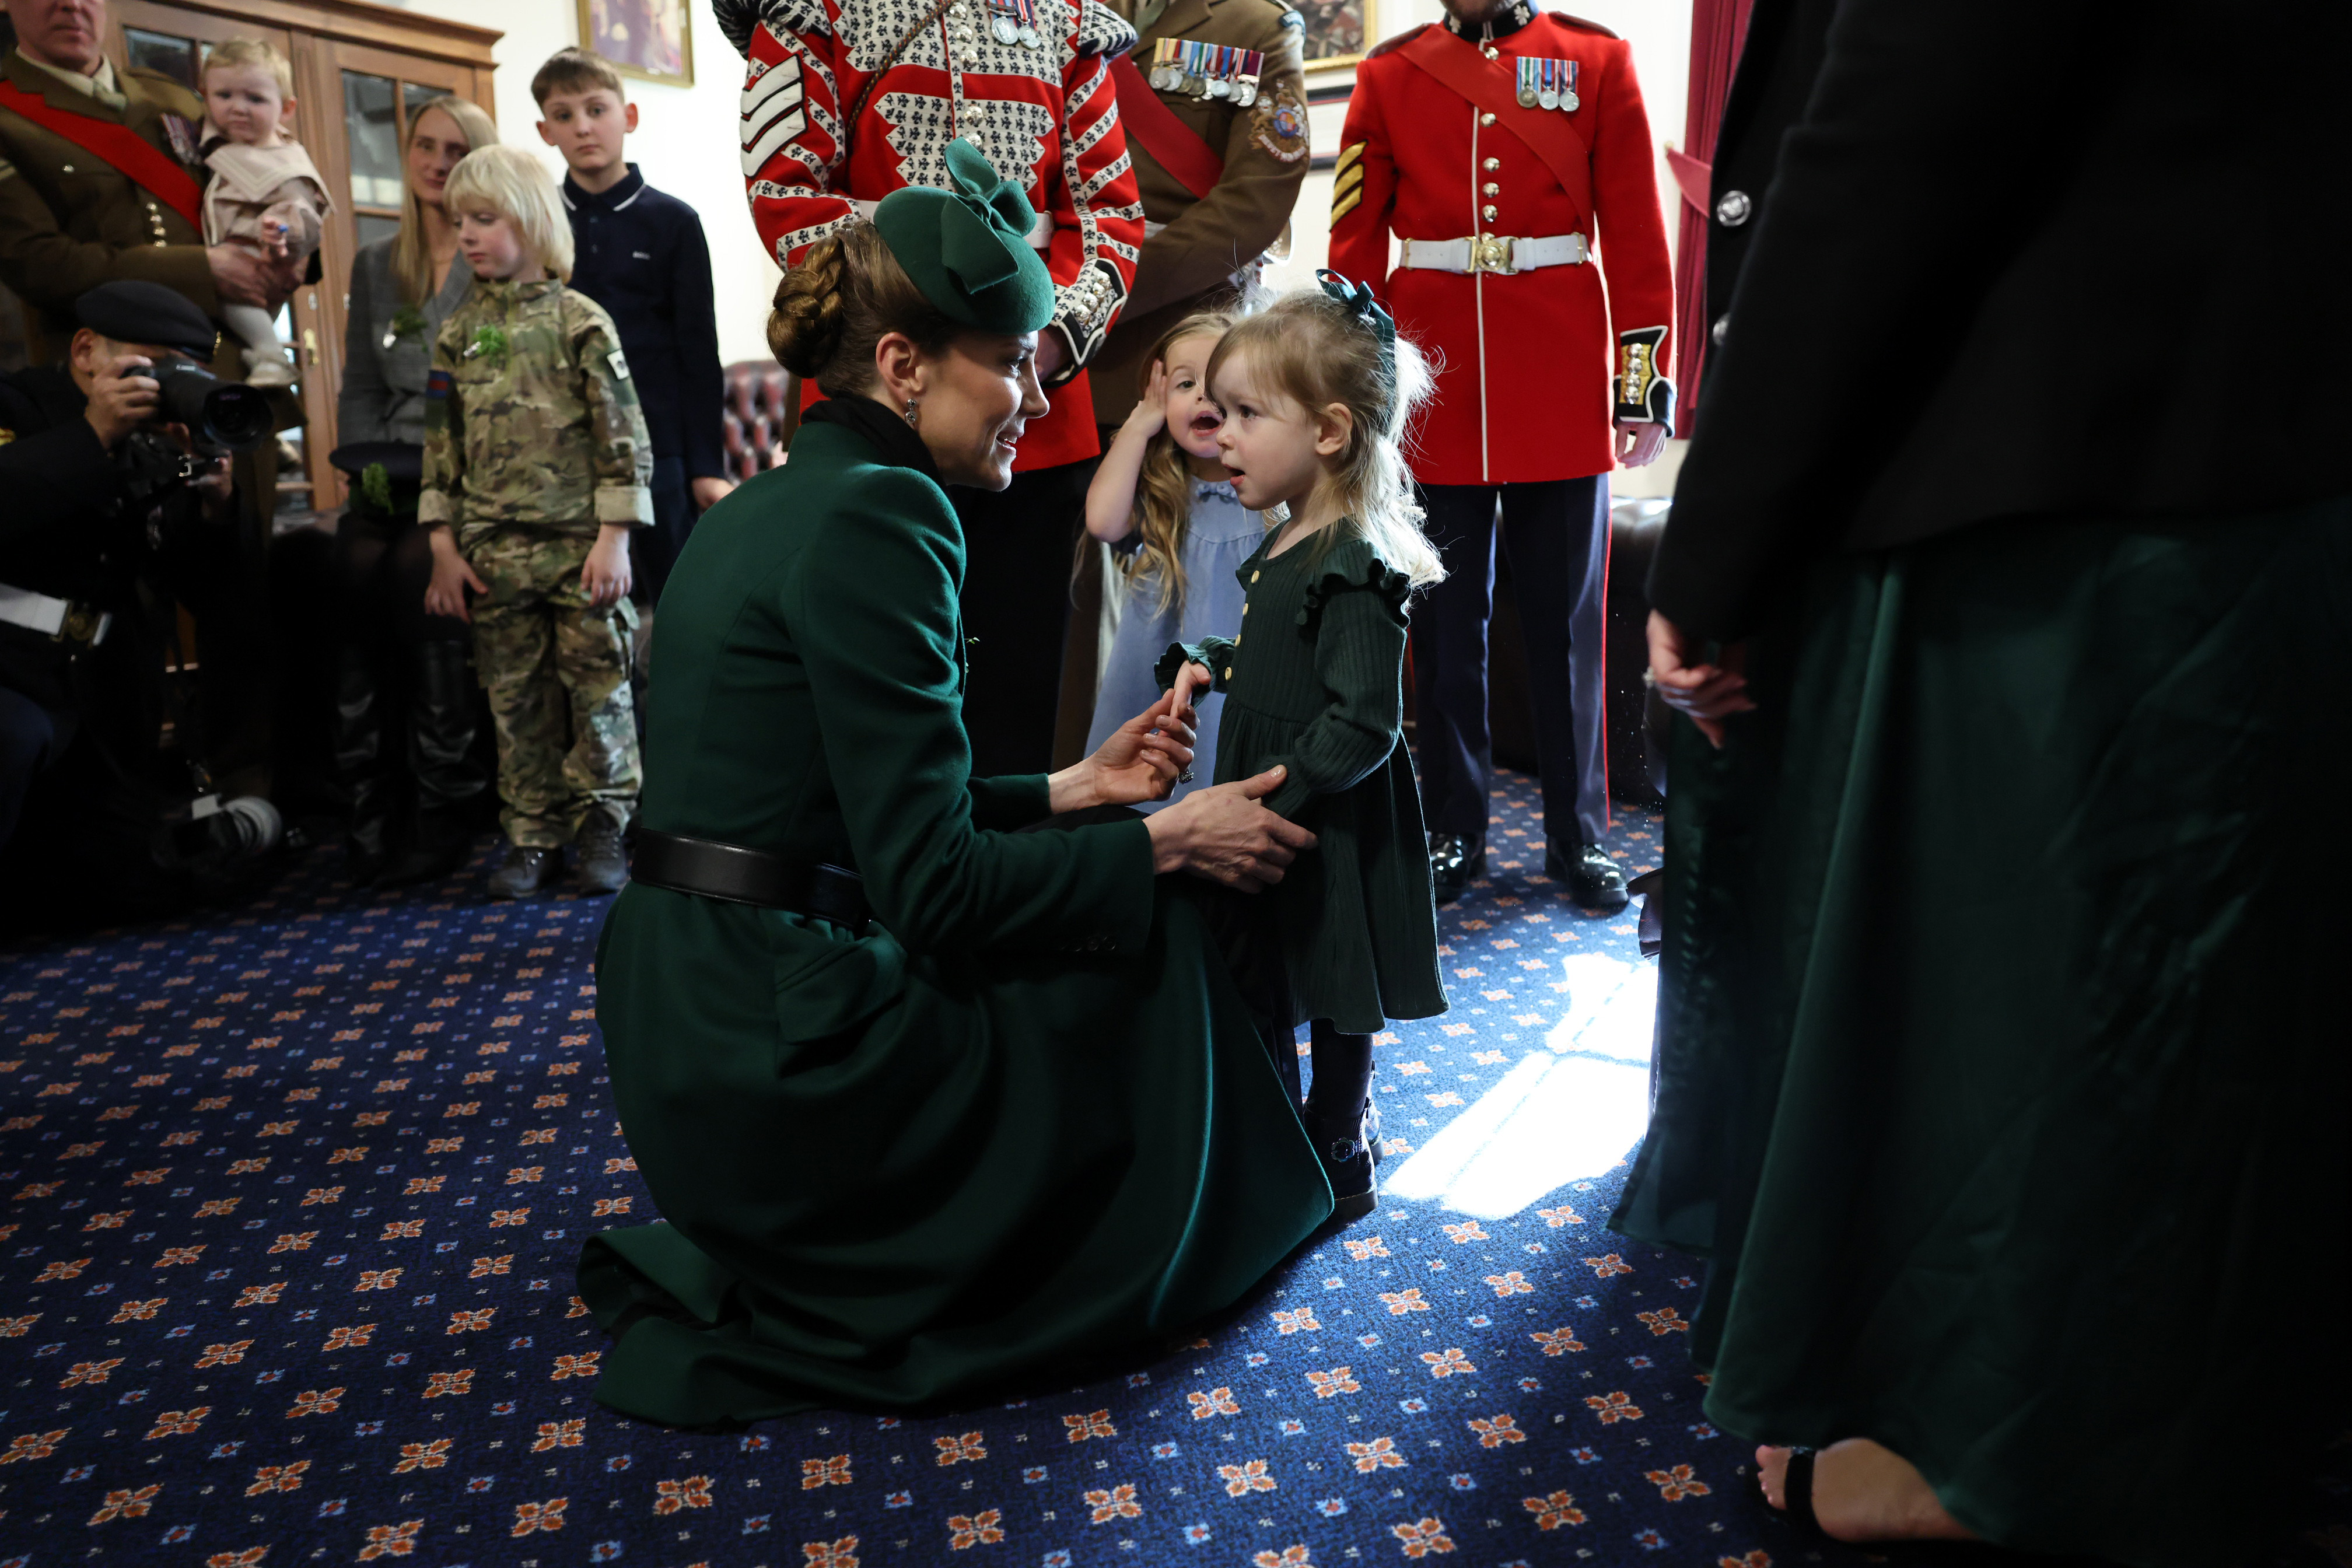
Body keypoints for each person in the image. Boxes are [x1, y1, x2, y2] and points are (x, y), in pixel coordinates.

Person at [1609, 1, 2352, 1560]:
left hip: (2069, 487)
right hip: (2227, 440)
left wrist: (1721, 530)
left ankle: (2011, 1455)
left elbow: (1905, 124)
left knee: (2030, 1021)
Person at [578, 142, 1331, 1424]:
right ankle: (1200, 1226)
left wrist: (1070, 790)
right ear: (903, 364)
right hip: (783, 1047)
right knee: (1152, 928)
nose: (1035, 394)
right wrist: (1167, 839)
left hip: (688, 1010)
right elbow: (932, 890)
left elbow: (840, 810)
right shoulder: (888, 514)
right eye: (1010, 361)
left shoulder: (773, 501)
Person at [717, 0, 1146, 778]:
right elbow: (788, 195)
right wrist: (918, 343)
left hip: (1034, 417)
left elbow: (1107, 219)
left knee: (1022, 697)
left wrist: (1033, 347)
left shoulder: (1068, 25)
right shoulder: (813, 14)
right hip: (879, 396)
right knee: (867, 688)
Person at [1329, 0, 1674, 910]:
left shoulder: (1594, 60)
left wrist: (1638, 385)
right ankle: (1455, 826)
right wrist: (1355, 387)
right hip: (1433, 379)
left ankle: (1579, 836)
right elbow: (1354, 245)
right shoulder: (1390, 73)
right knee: (1446, 628)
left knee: (1569, 628)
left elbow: (1637, 232)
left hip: (1558, 376)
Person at [1161, 275, 1447, 1217]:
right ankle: (1284, 1117)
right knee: (1271, 957)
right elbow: (1277, 652)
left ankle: (1340, 1134)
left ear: (1328, 432)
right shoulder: (1290, 536)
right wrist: (1212, 660)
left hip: (1326, 815)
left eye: (1247, 414)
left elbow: (1363, 721)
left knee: (1333, 973)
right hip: (1278, 797)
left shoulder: (1354, 561)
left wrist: (1274, 800)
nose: (1221, 433)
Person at [0, 279, 276, 926]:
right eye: (151, 368)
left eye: (183, 373)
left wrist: (216, 505)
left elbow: (219, 601)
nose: (163, 388)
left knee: (143, 888)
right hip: (9, 675)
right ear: (86, 351)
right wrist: (93, 433)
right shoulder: (18, 405)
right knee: (14, 738)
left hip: (95, 699)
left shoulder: (161, 443)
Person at [418, 144, 651, 900]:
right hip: (493, 554)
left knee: (598, 692)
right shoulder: (457, 332)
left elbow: (624, 436)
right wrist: (442, 545)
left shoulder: (581, 322)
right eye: (461, 221)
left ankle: (604, 824)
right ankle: (531, 835)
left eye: (485, 219)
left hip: (581, 551)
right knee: (513, 699)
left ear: (532, 221)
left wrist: (615, 537)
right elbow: (440, 444)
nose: (468, 235)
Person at [333, 93, 497, 887]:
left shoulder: (494, 251)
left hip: (469, 473)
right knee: (351, 563)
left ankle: (443, 808)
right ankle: (370, 809)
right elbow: (361, 387)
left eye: (455, 149)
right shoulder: (376, 262)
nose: (437, 162)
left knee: (415, 572)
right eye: (425, 146)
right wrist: (365, 478)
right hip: (387, 467)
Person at [531, 47, 733, 608]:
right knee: (581, 612)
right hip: (564, 451)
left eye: (596, 109)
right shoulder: (537, 225)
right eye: (564, 115)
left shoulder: (674, 222)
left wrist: (705, 468)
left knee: (680, 607)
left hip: (660, 452)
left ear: (629, 117)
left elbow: (699, 354)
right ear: (546, 131)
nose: (583, 127)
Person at [0, 0, 300, 362]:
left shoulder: (174, 98)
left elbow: (263, 177)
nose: (72, 4)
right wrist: (203, 270)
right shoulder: (8, 117)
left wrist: (291, 251)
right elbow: (37, 264)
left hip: (232, 359)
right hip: (108, 369)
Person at [1082, 310, 1255, 807]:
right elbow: (1103, 523)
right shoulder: (1161, 490)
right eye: (1185, 384)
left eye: (1219, 383)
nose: (1203, 396)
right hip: (1155, 685)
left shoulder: (1270, 493)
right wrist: (1140, 425)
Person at [195, 39, 328, 390]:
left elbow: (303, 212)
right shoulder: (220, 143)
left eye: (255, 99)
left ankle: (272, 356)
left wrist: (284, 231)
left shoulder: (285, 161)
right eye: (224, 95)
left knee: (234, 296)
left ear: (286, 108)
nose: (238, 108)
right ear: (205, 96)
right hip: (228, 246)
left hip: (259, 254)